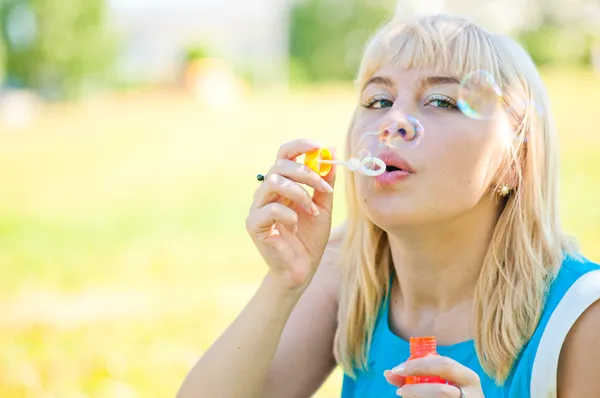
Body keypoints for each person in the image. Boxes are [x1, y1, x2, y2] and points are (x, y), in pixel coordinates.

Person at [177, 13, 600, 398]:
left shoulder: (582, 315)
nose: (392, 121)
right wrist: (282, 283)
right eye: (378, 100)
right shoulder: (346, 274)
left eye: (442, 101)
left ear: (514, 162)